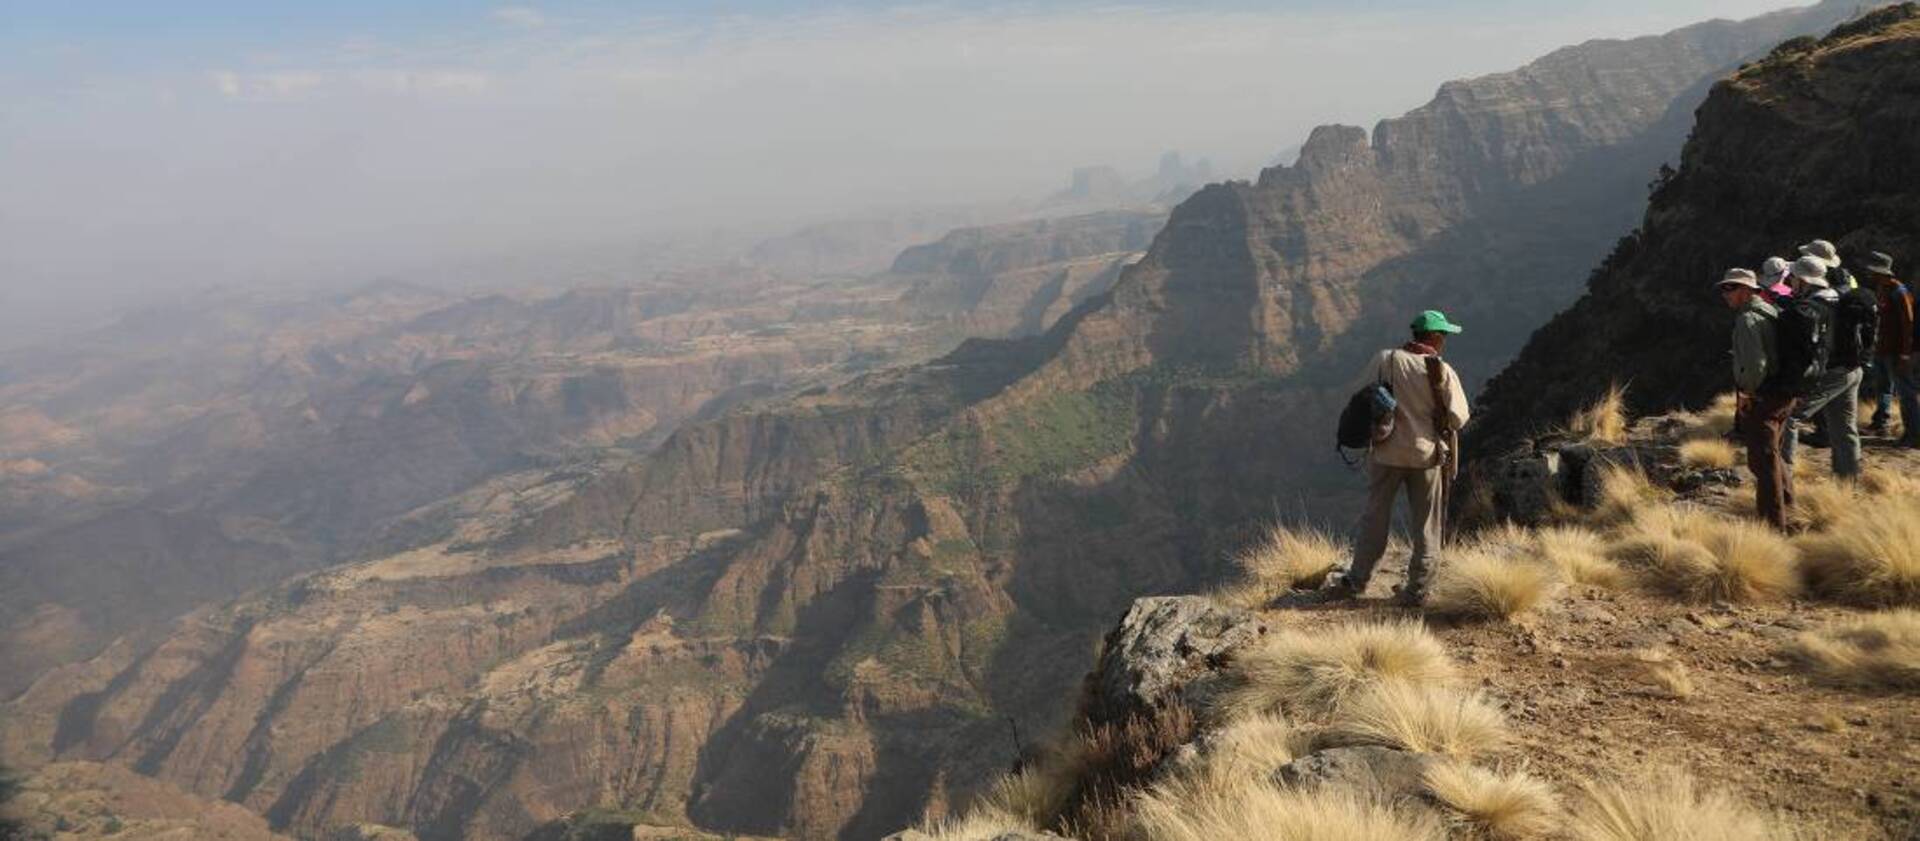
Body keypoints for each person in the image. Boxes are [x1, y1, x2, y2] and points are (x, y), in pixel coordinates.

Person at [1322, 310, 1471, 606]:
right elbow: (1458, 418)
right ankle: (1417, 591)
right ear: (1435, 337)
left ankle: (1357, 581)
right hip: (1426, 455)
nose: (1445, 341)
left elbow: (1360, 395)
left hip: (1387, 452)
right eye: (1444, 336)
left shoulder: (1385, 360)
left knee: (1375, 517)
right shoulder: (1441, 370)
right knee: (1426, 525)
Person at [1719, 268, 1798, 531]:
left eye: (1730, 288)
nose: (1725, 294)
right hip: (1783, 395)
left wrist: (1747, 394)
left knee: (1762, 464)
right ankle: (1791, 511)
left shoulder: (1748, 320)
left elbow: (1755, 366)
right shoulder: (1770, 310)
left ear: (1746, 290)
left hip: (1764, 397)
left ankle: (1773, 527)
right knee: (1774, 456)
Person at [1781, 258, 1866, 479]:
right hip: (1853, 368)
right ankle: (1848, 480)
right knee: (1845, 427)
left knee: (1788, 416)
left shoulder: (1814, 306)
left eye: (1794, 278)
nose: (1791, 282)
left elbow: (1811, 346)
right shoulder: (1842, 297)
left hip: (1832, 372)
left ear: (1803, 280)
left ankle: (1783, 478)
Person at [1861, 251, 1919, 446]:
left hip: (1896, 352)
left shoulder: (1898, 291)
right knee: (1883, 388)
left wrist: (1905, 354)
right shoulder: (1882, 289)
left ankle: (1913, 433)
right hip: (1883, 350)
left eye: (1873, 270)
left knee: (1905, 393)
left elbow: (1908, 324)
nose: (1870, 274)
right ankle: (1881, 422)